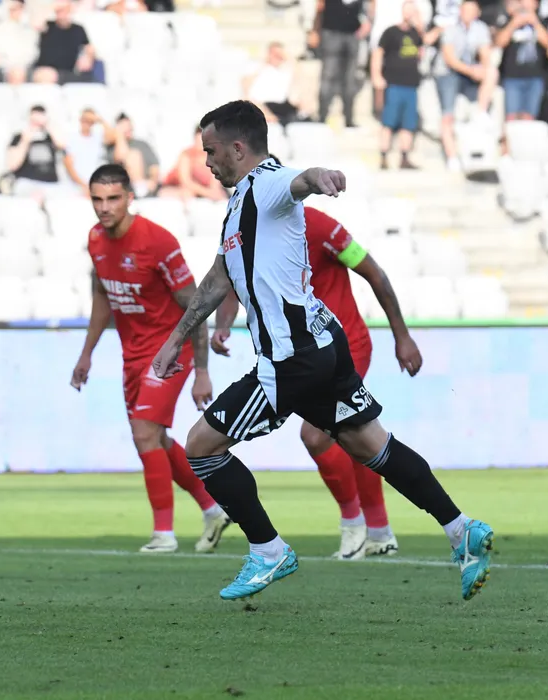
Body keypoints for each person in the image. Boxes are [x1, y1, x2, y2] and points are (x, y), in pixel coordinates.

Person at [150, 100, 494, 602]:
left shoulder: (267, 183)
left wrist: (320, 177)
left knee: (201, 447)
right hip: (322, 343)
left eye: (211, 151)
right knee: (369, 444)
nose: (206, 161)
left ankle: (267, 550)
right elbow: (219, 278)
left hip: (292, 358)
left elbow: (298, 181)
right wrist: (177, 338)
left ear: (238, 148)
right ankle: (461, 530)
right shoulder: (240, 205)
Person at [211, 204, 423, 561]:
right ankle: (380, 532)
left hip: (346, 343)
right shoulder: (248, 229)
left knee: (316, 435)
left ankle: (354, 525)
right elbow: (232, 284)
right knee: (356, 434)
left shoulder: (321, 227)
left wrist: (402, 336)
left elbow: (374, 273)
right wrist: (222, 325)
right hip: (300, 354)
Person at [72, 164, 232, 553]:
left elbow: (196, 304)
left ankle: (164, 533)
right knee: (155, 438)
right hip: (133, 354)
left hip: (170, 352)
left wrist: (202, 371)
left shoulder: (157, 242)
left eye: (113, 198)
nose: (104, 207)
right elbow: (102, 296)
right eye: (97, 199)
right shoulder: (95, 239)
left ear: (129, 198)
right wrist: (86, 353)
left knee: (144, 433)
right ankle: (213, 509)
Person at [432, 0, 498, 170]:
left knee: (492, 71)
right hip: (448, 73)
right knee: (447, 114)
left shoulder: (480, 29)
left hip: (468, 72)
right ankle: (452, 157)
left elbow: (485, 54)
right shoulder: (451, 29)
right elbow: (450, 59)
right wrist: (471, 71)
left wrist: (481, 69)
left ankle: (481, 111)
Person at [371, 0, 437, 169]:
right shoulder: (391, 32)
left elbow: (426, 42)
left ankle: (404, 157)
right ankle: (383, 156)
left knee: (408, 122)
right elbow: (378, 53)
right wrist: (376, 75)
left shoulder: (416, 34)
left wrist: (421, 23)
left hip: (411, 84)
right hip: (394, 83)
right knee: (389, 120)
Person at [495, 0, 548, 123]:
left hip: (535, 76)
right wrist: (513, 24)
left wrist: (535, 23)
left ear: (535, 5)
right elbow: (499, 42)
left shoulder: (543, 21)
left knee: (529, 118)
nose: (525, 5)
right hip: (512, 76)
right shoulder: (509, 19)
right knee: (511, 118)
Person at [311, 0, 370, 126]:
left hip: (352, 35)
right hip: (331, 33)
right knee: (328, 76)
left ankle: (349, 118)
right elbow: (320, 7)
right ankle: (322, 116)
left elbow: (364, 12)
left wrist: (366, 24)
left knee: (350, 79)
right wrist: (315, 30)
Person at [6, 105, 66, 201]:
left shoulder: (51, 137)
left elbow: (62, 145)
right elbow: (12, 165)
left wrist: (47, 126)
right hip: (27, 182)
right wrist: (25, 141)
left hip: (51, 184)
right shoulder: (19, 137)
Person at [31, 0, 95, 84]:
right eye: (59, 10)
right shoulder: (48, 26)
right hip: (44, 71)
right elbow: (36, 23)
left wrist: (88, 57)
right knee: (47, 76)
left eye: (65, 10)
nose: (62, 13)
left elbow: (89, 48)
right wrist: (52, 7)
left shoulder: (78, 29)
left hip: (68, 73)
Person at [159, 127, 228, 202]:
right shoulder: (186, 155)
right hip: (174, 187)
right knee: (187, 193)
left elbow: (215, 183)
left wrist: (214, 192)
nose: (200, 145)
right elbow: (186, 182)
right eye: (197, 141)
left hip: (200, 190)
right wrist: (208, 193)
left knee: (221, 194)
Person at [63, 108, 119, 198]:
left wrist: (100, 120)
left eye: (90, 121)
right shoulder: (71, 138)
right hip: (77, 187)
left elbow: (114, 136)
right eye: (84, 120)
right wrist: (85, 186)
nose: (86, 123)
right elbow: (69, 165)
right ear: (80, 120)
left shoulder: (98, 137)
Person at [107, 114, 161, 198]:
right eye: (124, 126)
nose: (128, 128)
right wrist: (120, 136)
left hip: (149, 187)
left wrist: (153, 181)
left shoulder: (143, 144)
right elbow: (120, 157)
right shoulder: (113, 148)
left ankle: (142, 189)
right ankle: (139, 188)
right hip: (128, 187)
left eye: (129, 125)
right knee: (133, 154)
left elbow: (154, 166)